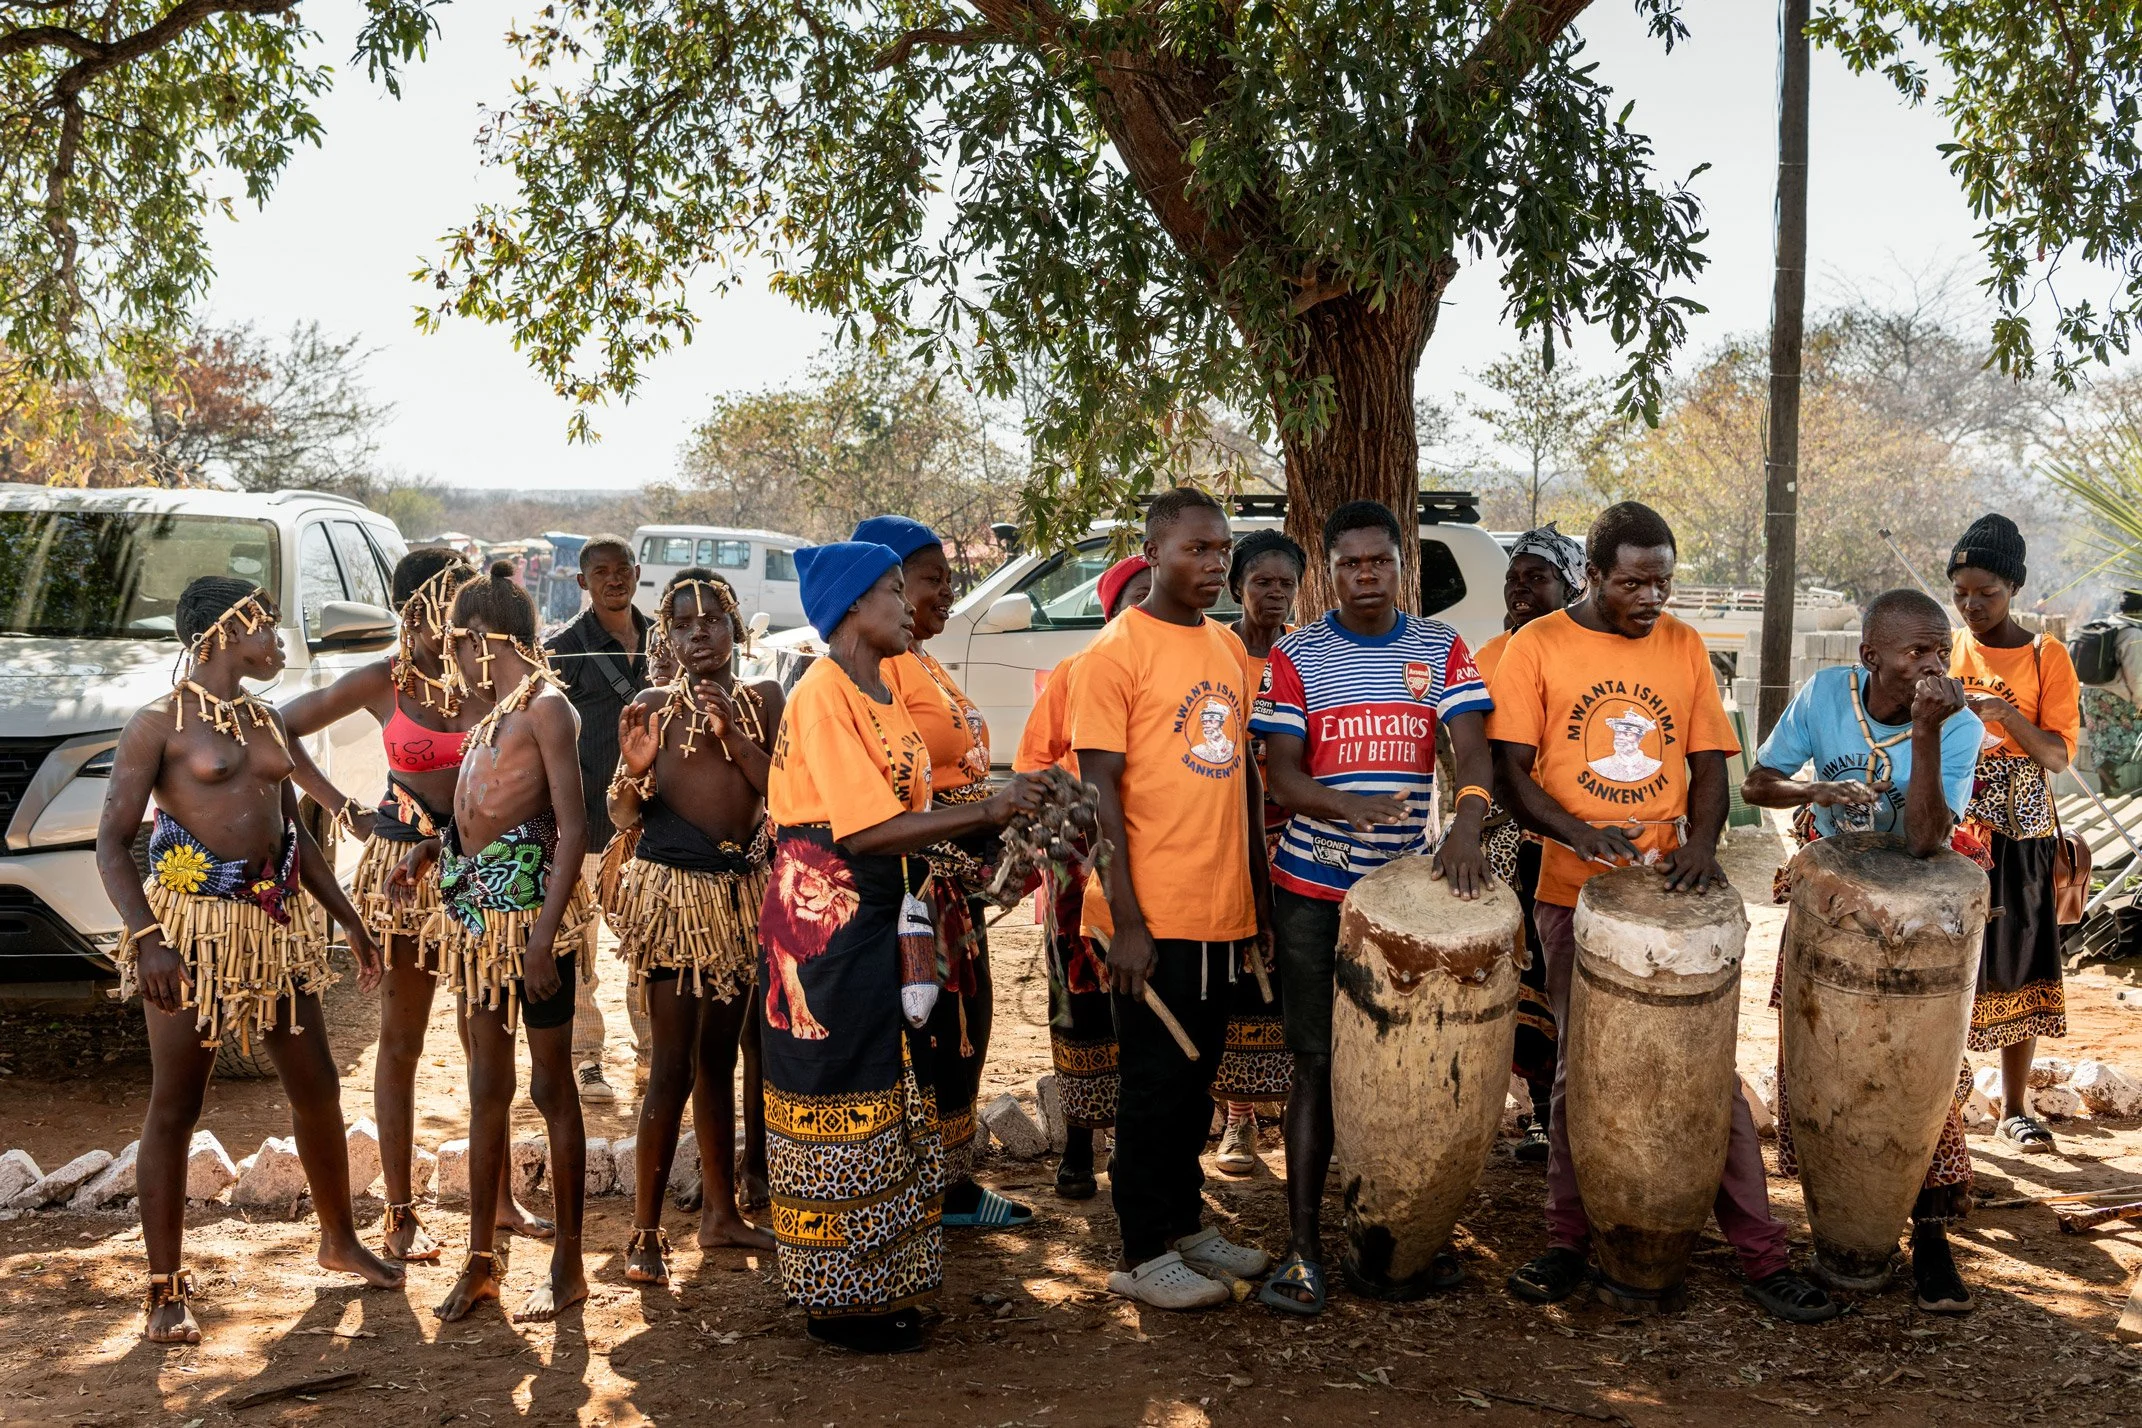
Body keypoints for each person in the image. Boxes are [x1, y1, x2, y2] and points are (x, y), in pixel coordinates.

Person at [1489, 501, 1838, 1324]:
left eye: (1663, 582)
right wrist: (1578, 832)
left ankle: (1761, 1255)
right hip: (1575, 895)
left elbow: (1711, 760)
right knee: (1583, 1071)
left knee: (1709, 1074)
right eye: (1633, 582)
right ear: (1591, 574)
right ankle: (1567, 1240)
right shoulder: (1535, 647)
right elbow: (1510, 772)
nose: (1652, 598)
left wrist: (1704, 844)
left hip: (1676, 901)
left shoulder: (1682, 645)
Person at [94, 578, 403, 1344]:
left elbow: (296, 833)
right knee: (177, 1105)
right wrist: (150, 938)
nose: (277, 640)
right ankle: (164, 1290)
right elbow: (112, 841)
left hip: (273, 934)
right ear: (223, 632)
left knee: (319, 1088)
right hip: (193, 935)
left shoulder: (266, 720)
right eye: (264, 626)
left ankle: (338, 1240)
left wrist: (351, 921)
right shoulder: (157, 727)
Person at [758, 540, 1041, 1352]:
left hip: (877, 906)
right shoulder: (823, 694)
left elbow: (915, 810)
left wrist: (1003, 816)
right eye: (891, 591)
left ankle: (881, 1286)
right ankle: (838, 1301)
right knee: (837, 1091)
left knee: (888, 1089)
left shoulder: (879, 690)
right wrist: (990, 814)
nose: (905, 604)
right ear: (853, 607)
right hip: (826, 916)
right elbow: (867, 826)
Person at [1248, 500, 1496, 1314]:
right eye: (1350, 564)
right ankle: (1303, 1251)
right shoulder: (1296, 656)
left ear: (1400, 567)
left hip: (1407, 901)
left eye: (1379, 563)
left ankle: (1392, 1238)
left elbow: (1472, 750)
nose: (1365, 577)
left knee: (1407, 1067)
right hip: (1316, 892)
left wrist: (1466, 828)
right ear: (1331, 571)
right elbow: (1279, 773)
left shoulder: (1439, 648)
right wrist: (1336, 806)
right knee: (1318, 1066)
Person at [282, 548, 554, 1262]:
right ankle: (399, 1215)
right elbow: (277, 727)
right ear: (413, 610)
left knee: (486, 1040)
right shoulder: (384, 681)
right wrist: (342, 806)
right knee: (401, 1040)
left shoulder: (488, 681)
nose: (456, 627)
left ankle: (495, 1202)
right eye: (445, 608)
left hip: (480, 873)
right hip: (403, 876)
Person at [1742, 588, 1984, 1313]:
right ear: (1870, 655)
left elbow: (1924, 840)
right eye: (1917, 652)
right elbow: (1759, 783)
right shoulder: (1824, 695)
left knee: (1921, 1082)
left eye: (1941, 651)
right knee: (1823, 1060)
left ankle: (1933, 1239)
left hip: (1923, 926)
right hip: (1832, 908)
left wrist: (1929, 730)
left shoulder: (1958, 724)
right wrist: (1818, 787)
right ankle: (1843, 1230)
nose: (1934, 664)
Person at [1070, 487, 1274, 1311]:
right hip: (1149, 918)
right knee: (1153, 1090)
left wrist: (1255, 904)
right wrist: (1126, 919)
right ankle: (1138, 1250)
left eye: (1222, 550)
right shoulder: (1114, 655)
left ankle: (1186, 1224)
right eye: (1196, 549)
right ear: (1152, 554)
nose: (1214, 564)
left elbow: (1246, 788)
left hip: (1221, 912)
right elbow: (1099, 796)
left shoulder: (1227, 650)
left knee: (1195, 1086)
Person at [405, 561, 597, 1323]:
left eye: (457, 644)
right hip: (482, 926)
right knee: (487, 1085)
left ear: (484, 639)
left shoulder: (547, 708)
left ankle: (570, 1264)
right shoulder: (491, 713)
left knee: (551, 1086)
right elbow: (482, 810)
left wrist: (544, 941)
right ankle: (481, 1261)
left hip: (534, 926)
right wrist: (437, 845)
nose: (451, 658)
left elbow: (575, 828)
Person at [853, 515, 1030, 1228]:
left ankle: (951, 1182)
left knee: (966, 1020)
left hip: (956, 869)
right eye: (931, 578)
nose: (947, 589)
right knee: (934, 1027)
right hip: (923, 874)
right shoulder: (880, 668)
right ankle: (933, 1188)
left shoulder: (919, 658)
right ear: (886, 588)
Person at [608, 569, 782, 1284]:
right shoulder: (650, 706)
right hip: (675, 900)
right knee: (672, 1067)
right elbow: (621, 815)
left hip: (739, 897)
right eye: (683, 624)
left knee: (722, 1059)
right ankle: (645, 1234)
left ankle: (719, 1216)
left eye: (712, 620)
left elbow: (786, 790)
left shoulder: (766, 700)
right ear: (666, 637)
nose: (699, 632)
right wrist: (635, 771)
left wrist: (737, 737)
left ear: (737, 628)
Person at [1014, 554, 1150, 1201]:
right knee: (1078, 1000)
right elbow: (1033, 766)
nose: (1150, 607)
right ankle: (1077, 1144)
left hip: (1154, 859)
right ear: (1112, 609)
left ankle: (1132, 1147)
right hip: (1078, 866)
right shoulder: (1077, 673)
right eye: (1137, 596)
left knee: (1141, 1001)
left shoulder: (1177, 673)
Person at [1947, 513, 2082, 1155]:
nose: (1972, 606)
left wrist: (2002, 715)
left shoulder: (2045, 656)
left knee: (2018, 953)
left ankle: (2016, 1105)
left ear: (2014, 588)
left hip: (2022, 827)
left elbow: (2057, 756)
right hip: (1952, 820)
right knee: (1950, 954)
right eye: (1962, 592)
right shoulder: (1946, 648)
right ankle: (1941, 1096)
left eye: (1987, 593)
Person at [1473, 523, 1587, 1165]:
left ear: (1571, 586)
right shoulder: (1488, 655)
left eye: (1536, 576)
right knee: (1514, 969)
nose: (1520, 587)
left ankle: (1569, 1115)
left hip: (1566, 835)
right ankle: (1539, 1115)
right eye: (1514, 576)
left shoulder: (1586, 654)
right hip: (1499, 838)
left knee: (1561, 969)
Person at [545, 533, 653, 1104]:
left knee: (648, 946)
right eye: (602, 572)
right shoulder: (563, 649)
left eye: (624, 569)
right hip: (586, 825)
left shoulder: (667, 639)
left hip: (652, 829)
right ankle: (587, 1060)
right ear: (582, 582)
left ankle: (653, 1053)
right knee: (579, 949)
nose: (616, 579)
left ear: (637, 574)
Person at [1212, 530, 1305, 1176]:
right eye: (1261, 582)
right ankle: (1238, 1121)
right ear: (1236, 586)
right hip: (1226, 840)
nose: (1273, 594)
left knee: (1296, 979)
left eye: (1285, 584)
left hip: (1295, 840)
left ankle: (1299, 1118)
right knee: (1239, 977)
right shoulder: (1215, 651)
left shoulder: (1307, 656)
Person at [2079, 591, 2142, 796]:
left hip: (2090, 694)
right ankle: (2121, 785)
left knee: (2102, 739)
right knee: (2132, 737)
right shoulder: (2133, 634)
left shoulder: (2105, 624)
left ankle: (2107, 782)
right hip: (2116, 698)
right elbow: (2137, 675)